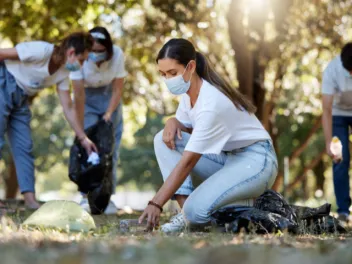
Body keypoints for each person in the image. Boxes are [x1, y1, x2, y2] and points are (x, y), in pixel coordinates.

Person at [138, 38, 278, 232]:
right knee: (162, 139)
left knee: (197, 213)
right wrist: (172, 121)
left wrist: (156, 203)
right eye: (163, 74)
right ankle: (185, 215)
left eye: (172, 73)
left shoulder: (211, 103)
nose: (168, 80)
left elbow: (188, 162)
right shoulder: (189, 96)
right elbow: (184, 128)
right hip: (228, 158)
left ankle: (247, 205)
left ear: (191, 67)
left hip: (256, 161)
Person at [0, 32, 97, 209]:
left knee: (24, 147)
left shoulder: (63, 72)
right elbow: (2, 54)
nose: (81, 66)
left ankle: (30, 200)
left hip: (22, 98)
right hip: (4, 82)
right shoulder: (41, 50)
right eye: (82, 60)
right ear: (71, 53)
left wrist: (83, 137)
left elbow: (68, 107)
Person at [71, 27, 127, 214]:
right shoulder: (79, 57)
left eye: (100, 51)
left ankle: (107, 197)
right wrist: (80, 130)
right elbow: (78, 94)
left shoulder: (117, 55)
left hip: (110, 99)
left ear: (108, 49)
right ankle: (84, 196)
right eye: (92, 51)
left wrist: (109, 113)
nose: (95, 54)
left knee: (110, 150)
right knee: (89, 150)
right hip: (86, 100)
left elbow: (118, 89)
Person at [322, 43, 352, 223]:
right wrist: (328, 142)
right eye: (349, 71)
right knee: (340, 158)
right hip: (337, 115)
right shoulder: (331, 71)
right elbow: (326, 109)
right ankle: (343, 211)